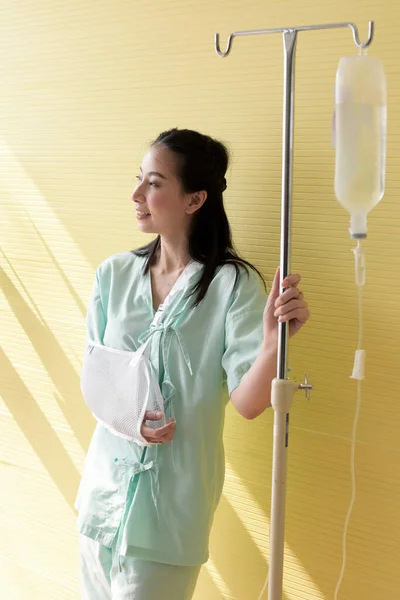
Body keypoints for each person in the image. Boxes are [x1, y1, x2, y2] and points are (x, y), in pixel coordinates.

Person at [76, 128, 310, 600]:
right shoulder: (114, 275)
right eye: (139, 179)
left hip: (169, 517)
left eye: (155, 183)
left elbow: (248, 404)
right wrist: (129, 419)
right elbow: (95, 378)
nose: (137, 194)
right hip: (100, 503)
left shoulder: (231, 285)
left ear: (195, 198)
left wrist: (272, 343)